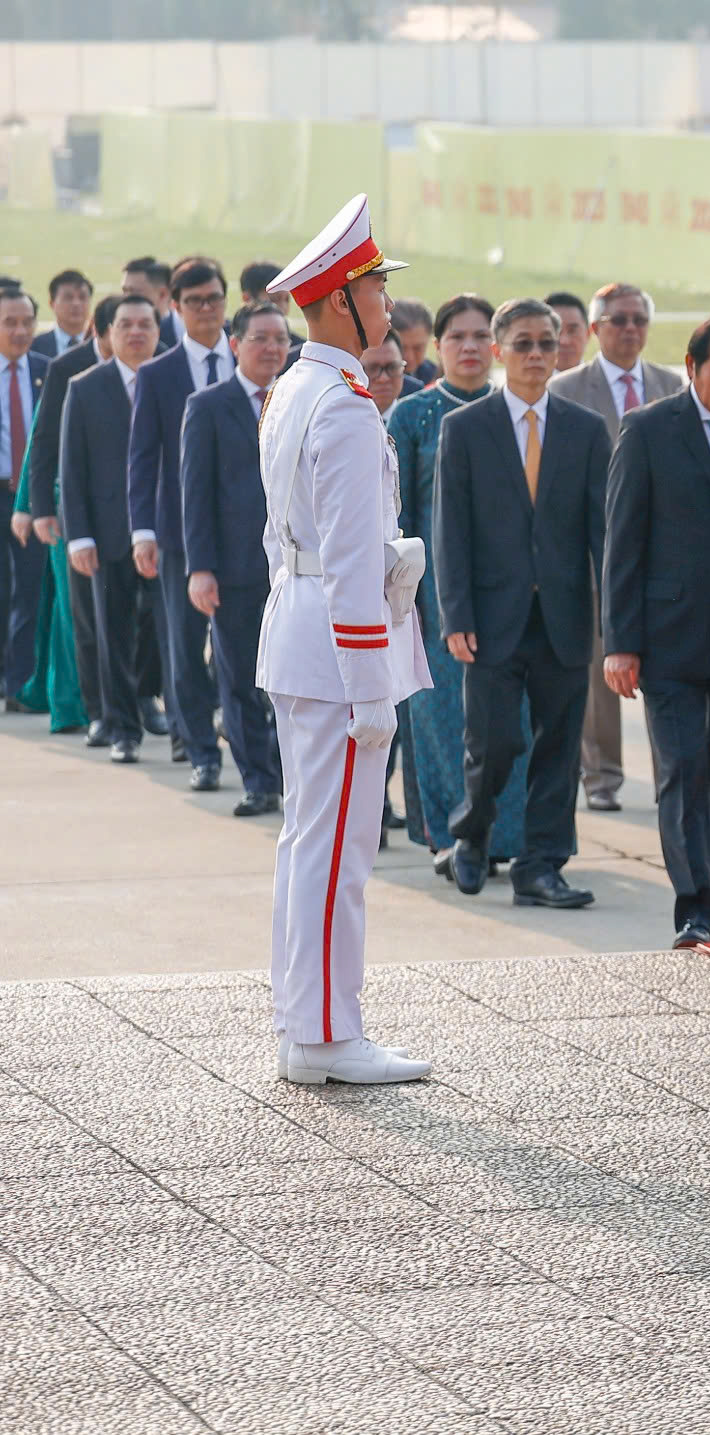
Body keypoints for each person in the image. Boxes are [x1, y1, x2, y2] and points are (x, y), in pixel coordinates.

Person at [255, 194, 432, 1086]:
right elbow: (355, 560)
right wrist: (372, 687)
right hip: (336, 645)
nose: (386, 301)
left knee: (309, 842)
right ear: (338, 302)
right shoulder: (346, 405)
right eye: (373, 286)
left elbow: (287, 536)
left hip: (300, 626)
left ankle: (306, 1024)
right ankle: (327, 1035)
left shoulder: (299, 386)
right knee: (337, 852)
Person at [433, 297, 608, 910]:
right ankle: (471, 834)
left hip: (564, 618)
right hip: (490, 620)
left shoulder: (586, 430)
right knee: (495, 741)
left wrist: (615, 624)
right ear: (499, 351)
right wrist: (456, 615)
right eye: (524, 344)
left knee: (559, 749)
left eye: (547, 344)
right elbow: (450, 531)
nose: (536, 355)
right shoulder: (466, 428)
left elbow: (602, 535)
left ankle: (541, 866)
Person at [604, 313, 710, 947]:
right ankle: (693, 909)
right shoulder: (648, 429)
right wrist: (620, 642)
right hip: (668, 634)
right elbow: (623, 540)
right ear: (692, 366)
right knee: (682, 771)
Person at [388, 297, 529, 861]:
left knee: (511, 725)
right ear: (437, 346)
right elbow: (397, 518)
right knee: (440, 719)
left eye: (479, 337)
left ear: (494, 347)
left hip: (510, 597)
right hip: (435, 599)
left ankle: (507, 839)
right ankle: (452, 839)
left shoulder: (517, 412)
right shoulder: (412, 416)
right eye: (456, 337)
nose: (469, 347)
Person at [552, 281, 682, 815]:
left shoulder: (671, 385)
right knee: (602, 668)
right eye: (619, 320)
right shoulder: (566, 389)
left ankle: (671, 773)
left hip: (662, 550)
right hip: (594, 550)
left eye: (638, 320)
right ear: (595, 329)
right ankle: (601, 775)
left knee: (665, 668)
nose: (630, 329)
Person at [181, 303, 291, 817]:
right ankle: (259, 781)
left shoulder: (300, 400)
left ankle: (290, 774)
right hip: (234, 568)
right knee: (240, 676)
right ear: (235, 344)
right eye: (260, 338)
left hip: (295, 566)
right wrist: (201, 568)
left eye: (280, 339)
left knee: (292, 680)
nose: (271, 348)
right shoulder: (208, 406)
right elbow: (195, 493)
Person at [127, 256, 231, 790]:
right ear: (174, 306)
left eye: (213, 299)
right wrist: (142, 531)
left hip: (248, 530)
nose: (205, 309)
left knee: (245, 645)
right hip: (178, 532)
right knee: (184, 647)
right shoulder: (158, 373)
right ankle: (201, 752)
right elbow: (143, 458)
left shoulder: (257, 358)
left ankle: (249, 739)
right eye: (194, 302)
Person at [61, 294, 165, 763]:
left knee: (167, 633)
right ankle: (123, 728)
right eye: (126, 325)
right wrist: (79, 536)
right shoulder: (85, 388)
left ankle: (168, 717)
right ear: (108, 333)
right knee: (113, 634)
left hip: (166, 530)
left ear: (159, 331)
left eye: (145, 324)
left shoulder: (173, 380)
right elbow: (73, 468)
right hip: (108, 533)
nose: (136, 332)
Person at [16, 299, 105, 737]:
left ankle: (109, 700)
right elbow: (42, 441)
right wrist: (30, 507)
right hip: (65, 506)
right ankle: (72, 706)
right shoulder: (69, 368)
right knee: (72, 612)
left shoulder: (153, 360)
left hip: (122, 511)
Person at [1, 287, 47, 711]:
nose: (19, 331)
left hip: (30, 497)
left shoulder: (48, 371)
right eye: (9, 323)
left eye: (26, 322)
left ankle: (19, 684)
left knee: (29, 591)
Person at [31, 269, 89, 362]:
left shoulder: (100, 344)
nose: (76, 303)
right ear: (52, 303)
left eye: (82, 297)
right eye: (68, 297)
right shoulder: (34, 346)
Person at [545, 291, 590, 368]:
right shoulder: (525, 375)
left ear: (588, 333)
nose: (564, 341)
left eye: (572, 331)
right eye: (556, 332)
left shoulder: (606, 375)